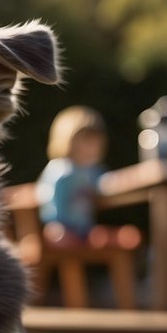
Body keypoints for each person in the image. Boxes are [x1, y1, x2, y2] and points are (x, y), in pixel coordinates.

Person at [37, 106, 109, 247]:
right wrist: (55, 224)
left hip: (84, 230)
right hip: (59, 228)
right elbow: (47, 201)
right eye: (87, 141)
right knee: (60, 236)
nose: (92, 147)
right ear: (69, 140)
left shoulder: (93, 172)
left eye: (96, 143)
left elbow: (107, 183)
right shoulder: (59, 170)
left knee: (125, 237)